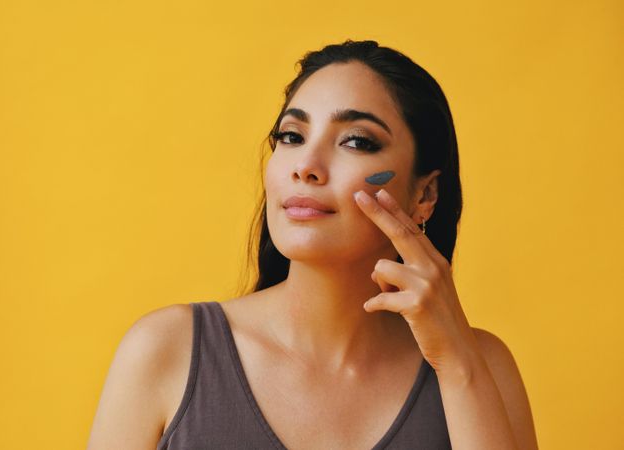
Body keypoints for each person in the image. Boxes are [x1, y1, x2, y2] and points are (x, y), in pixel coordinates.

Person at [87, 39, 538, 449]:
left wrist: (458, 365)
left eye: (357, 141)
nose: (306, 165)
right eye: (292, 136)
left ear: (425, 195)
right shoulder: (165, 351)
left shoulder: (482, 367)